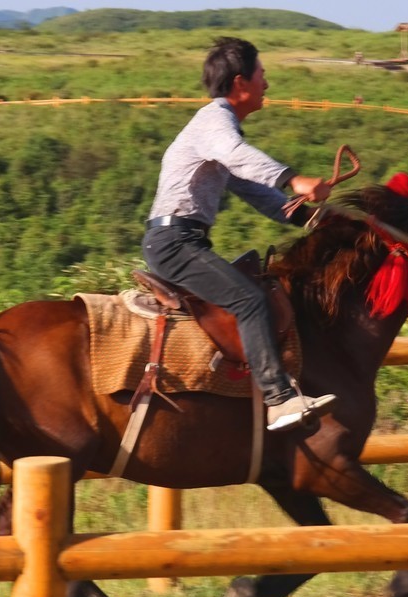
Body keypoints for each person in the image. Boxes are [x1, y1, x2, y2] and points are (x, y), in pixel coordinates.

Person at [143, 36, 336, 433]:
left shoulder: (217, 128)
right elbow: (237, 156)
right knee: (250, 300)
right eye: (262, 75)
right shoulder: (216, 122)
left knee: (250, 295)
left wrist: (316, 220)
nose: (268, 83)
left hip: (181, 239)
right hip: (174, 242)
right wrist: (294, 178)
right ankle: (279, 400)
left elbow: (257, 191)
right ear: (239, 83)